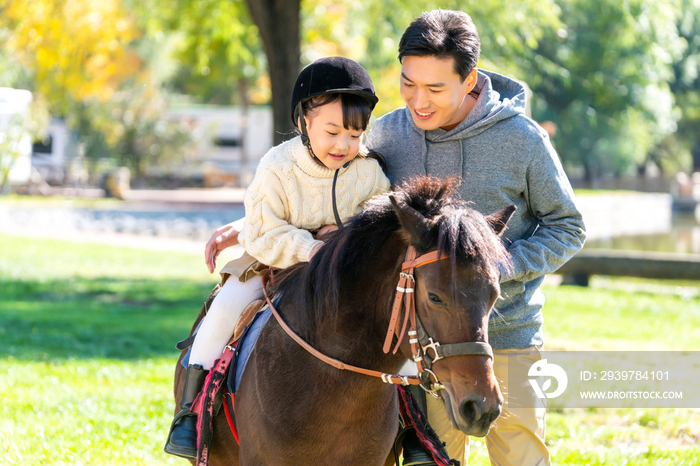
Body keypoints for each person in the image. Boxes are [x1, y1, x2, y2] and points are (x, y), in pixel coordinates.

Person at [366, 10, 586, 466]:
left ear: (469, 82)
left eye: (435, 88)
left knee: (522, 457)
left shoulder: (522, 140)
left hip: (508, 334)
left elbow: (568, 226)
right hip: (427, 347)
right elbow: (345, 201)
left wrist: (494, 265)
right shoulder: (387, 135)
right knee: (435, 458)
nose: (418, 100)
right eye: (409, 83)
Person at [164, 56, 390, 460]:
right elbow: (265, 231)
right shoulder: (278, 167)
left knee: (391, 327)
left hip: (346, 278)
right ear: (304, 123)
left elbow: (379, 227)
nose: (344, 145)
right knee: (223, 311)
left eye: (355, 134)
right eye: (333, 131)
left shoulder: (370, 173)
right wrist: (317, 249)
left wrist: (346, 244)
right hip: (273, 264)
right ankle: (191, 412)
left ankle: (414, 424)